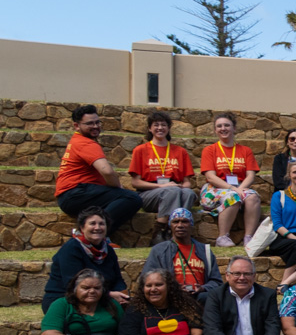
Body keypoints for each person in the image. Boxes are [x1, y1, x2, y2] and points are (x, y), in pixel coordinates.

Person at [54, 104, 143, 234]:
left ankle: (92, 234)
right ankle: (91, 233)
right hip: (75, 194)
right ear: (76, 126)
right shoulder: (86, 143)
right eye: (89, 123)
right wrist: (119, 186)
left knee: (122, 197)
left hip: (71, 195)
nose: (95, 126)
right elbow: (107, 171)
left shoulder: (77, 140)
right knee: (131, 198)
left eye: (97, 122)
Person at [126, 110, 196, 244]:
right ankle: (160, 231)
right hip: (149, 193)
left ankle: (180, 230)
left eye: (163, 125)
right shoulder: (140, 150)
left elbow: (187, 182)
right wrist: (162, 186)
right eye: (156, 125)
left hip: (174, 190)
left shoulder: (180, 151)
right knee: (172, 191)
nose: (160, 128)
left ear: (168, 128)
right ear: (149, 128)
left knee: (188, 193)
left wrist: (180, 187)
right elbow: (135, 182)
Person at [41, 207, 127, 312]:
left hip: (99, 298)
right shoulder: (71, 248)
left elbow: (117, 279)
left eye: (101, 224)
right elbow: (72, 284)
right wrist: (109, 294)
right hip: (67, 299)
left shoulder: (108, 250)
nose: (97, 227)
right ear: (82, 227)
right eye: (92, 224)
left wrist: (122, 294)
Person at [199, 112, 262, 249]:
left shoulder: (245, 150)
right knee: (233, 196)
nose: (223, 128)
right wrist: (233, 189)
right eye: (219, 126)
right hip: (215, 188)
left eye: (227, 125)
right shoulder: (210, 150)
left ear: (234, 128)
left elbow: (250, 175)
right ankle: (222, 237)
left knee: (253, 197)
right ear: (215, 130)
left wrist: (240, 188)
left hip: (239, 186)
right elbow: (210, 176)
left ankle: (249, 238)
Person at [144, 208, 222, 303]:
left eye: (185, 222)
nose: (180, 225)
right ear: (170, 225)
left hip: (200, 299)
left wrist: (203, 288)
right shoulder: (159, 251)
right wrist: (174, 288)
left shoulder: (205, 251)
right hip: (171, 300)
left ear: (191, 225)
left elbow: (217, 282)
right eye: (175, 222)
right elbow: (147, 279)